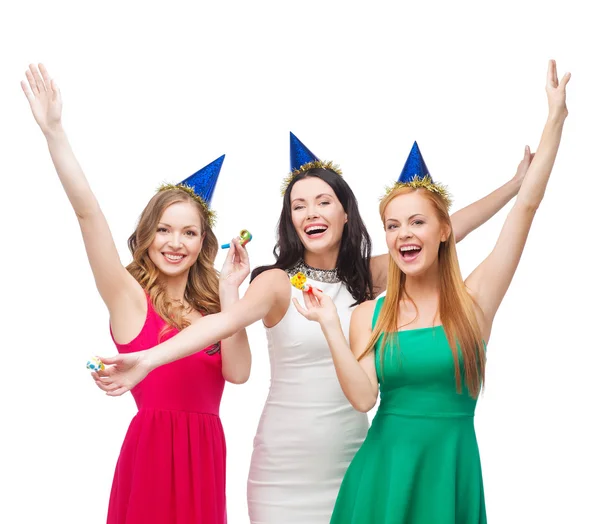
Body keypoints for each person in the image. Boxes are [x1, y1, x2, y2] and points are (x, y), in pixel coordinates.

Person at [94, 129, 533, 523]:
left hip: (355, 459)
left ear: (346, 214)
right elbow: (222, 323)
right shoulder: (278, 283)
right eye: (298, 205)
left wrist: (514, 188)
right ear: (291, 220)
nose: (311, 212)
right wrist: (148, 360)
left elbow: (444, 230)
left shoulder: (371, 276)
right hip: (283, 471)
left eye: (323, 201)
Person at [293, 59, 570, 523]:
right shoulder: (369, 314)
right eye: (392, 225)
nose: (404, 234)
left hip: (449, 473)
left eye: (417, 222)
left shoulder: (475, 300)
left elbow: (527, 206)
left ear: (445, 231)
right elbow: (363, 398)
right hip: (380, 480)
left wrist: (555, 119)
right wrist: (329, 325)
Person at [21, 63, 251, 524]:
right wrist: (54, 134)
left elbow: (240, 374)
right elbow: (89, 216)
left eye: (188, 233)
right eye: (164, 229)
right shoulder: (129, 300)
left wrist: (230, 292)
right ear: (147, 236)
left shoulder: (212, 310)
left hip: (207, 455)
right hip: (153, 456)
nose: (174, 242)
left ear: (202, 244)